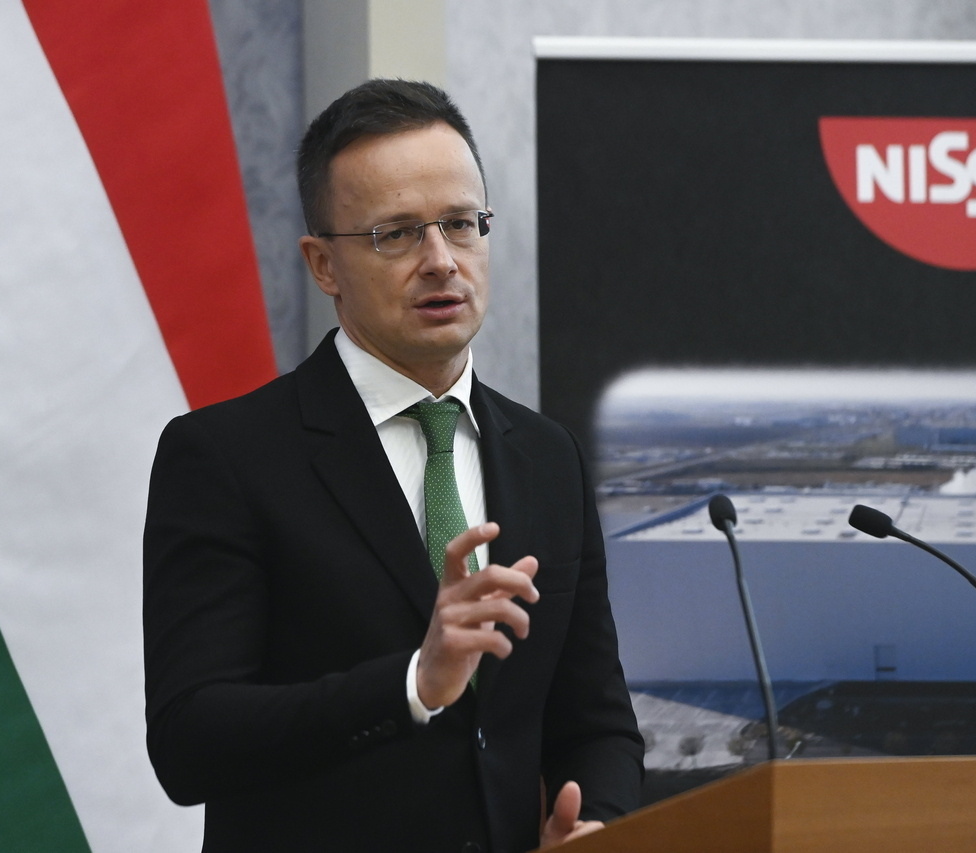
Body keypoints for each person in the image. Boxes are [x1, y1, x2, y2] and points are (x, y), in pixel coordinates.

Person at [143, 79, 644, 853]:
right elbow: (190, 740)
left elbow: (596, 720)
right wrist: (412, 683)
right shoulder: (225, 456)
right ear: (323, 264)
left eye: (460, 224)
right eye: (398, 234)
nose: (441, 261)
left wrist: (596, 820)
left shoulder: (548, 456)